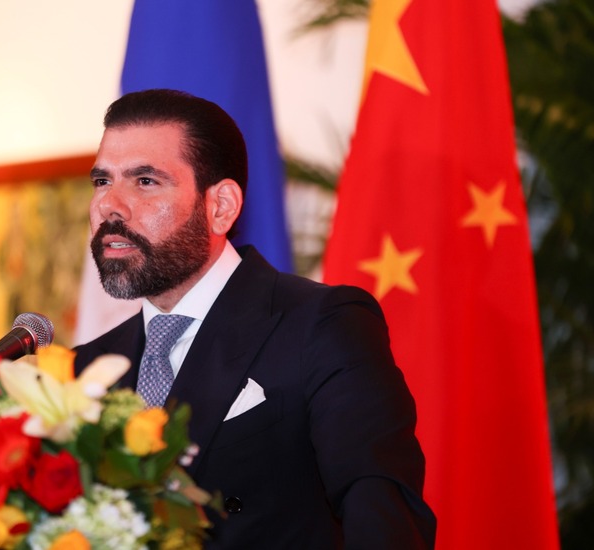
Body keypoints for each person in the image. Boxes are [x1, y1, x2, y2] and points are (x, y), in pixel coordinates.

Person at [73, 88, 436, 548]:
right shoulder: (84, 368)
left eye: (145, 181)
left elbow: (383, 518)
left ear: (220, 206)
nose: (109, 205)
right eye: (102, 181)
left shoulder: (321, 325)